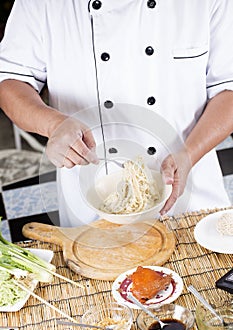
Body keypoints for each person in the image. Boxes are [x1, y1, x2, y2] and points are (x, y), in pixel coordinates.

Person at [0, 0, 233, 227]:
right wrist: (52, 124)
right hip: (94, 209)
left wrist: (188, 155)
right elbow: (10, 81)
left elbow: (228, 89)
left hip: (191, 201)